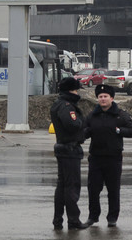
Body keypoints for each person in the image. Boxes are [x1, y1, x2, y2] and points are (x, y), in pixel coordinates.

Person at [86, 84, 132, 227]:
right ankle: (93, 216)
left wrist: (119, 131)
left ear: (112, 98)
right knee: (93, 189)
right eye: (100, 97)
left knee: (113, 190)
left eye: (105, 97)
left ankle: (112, 218)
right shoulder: (92, 115)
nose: (103, 99)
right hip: (96, 157)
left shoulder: (120, 114)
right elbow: (85, 131)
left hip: (113, 158)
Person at [50, 77, 91, 230]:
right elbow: (72, 125)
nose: (77, 92)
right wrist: (82, 123)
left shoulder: (59, 104)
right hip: (70, 149)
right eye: (75, 90)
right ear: (70, 90)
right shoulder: (67, 106)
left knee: (62, 186)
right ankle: (73, 220)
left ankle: (58, 220)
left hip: (63, 148)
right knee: (71, 186)